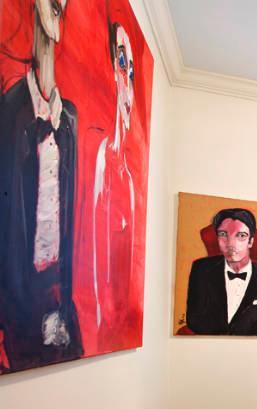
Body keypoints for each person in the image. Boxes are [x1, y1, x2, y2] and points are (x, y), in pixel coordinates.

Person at [0, 0, 81, 373]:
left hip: (58, 295)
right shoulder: (8, 110)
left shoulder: (70, 119)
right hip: (16, 300)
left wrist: (62, 299)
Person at [90, 20, 136, 342]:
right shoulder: (102, 158)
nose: (127, 80)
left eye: (131, 73)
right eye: (122, 62)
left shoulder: (128, 176)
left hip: (118, 325)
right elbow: (96, 264)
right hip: (104, 323)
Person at [185, 208, 257, 336]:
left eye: (241, 236)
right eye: (223, 234)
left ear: (250, 241)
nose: (231, 244)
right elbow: (193, 318)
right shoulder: (201, 269)